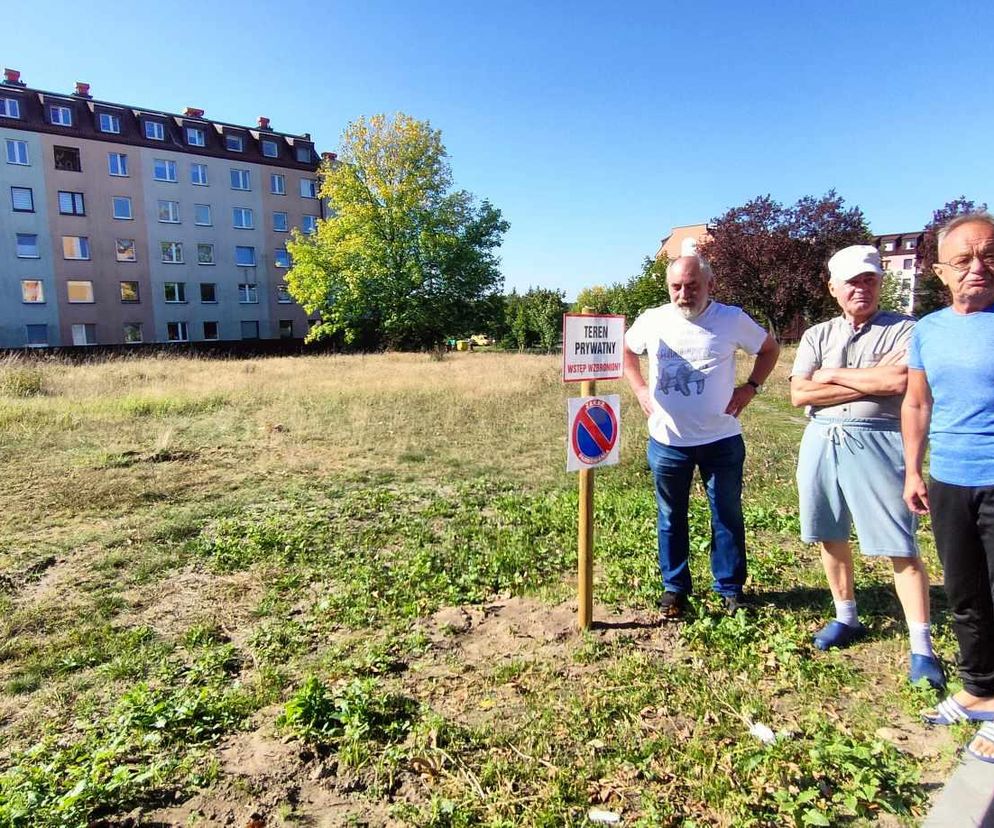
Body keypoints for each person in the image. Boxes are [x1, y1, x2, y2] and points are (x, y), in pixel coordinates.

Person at [789, 244, 943, 689]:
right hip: (821, 440)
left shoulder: (905, 331)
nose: (862, 288)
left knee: (898, 541)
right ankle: (846, 616)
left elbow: (898, 382)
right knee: (829, 532)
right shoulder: (817, 334)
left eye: (870, 279)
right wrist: (865, 381)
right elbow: (799, 394)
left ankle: (921, 647)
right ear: (834, 287)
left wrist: (830, 376)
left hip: (880, 441)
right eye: (852, 281)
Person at [624, 254, 779, 618]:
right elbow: (628, 351)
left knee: (726, 514)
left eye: (692, 286)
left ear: (710, 285)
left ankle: (730, 589)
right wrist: (640, 390)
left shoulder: (731, 319)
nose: (684, 294)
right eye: (676, 286)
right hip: (667, 442)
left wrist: (751, 387)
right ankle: (675, 590)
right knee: (670, 516)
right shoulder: (652, 320)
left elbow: (770, 348)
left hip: (721, 441)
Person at [903, 213, 994, 763]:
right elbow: (917, 403)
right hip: (949, 479)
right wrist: (914, 470)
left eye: (988, 256)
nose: (977, 268)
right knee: (964, 594)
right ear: (941, 271)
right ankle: (980, 688)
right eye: (963, 260)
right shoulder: (928, 330)